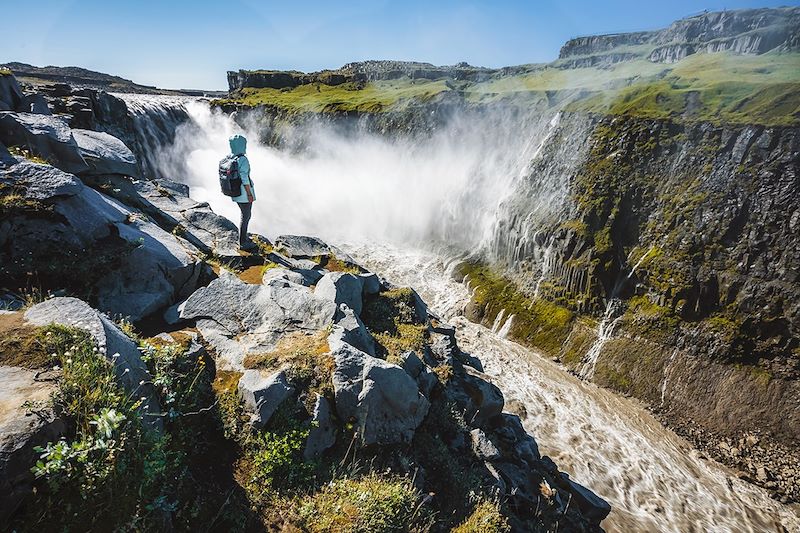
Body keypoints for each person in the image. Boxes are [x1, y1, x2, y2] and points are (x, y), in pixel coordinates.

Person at [228, 134, 257, 251]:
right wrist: (249, 193)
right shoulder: (243, 159)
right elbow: (244, 177)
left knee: (244, 215)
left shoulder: (231, 157)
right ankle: (243, 242)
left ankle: (243, 237)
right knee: (246, 216)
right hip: (244, 193)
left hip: (235, 191)